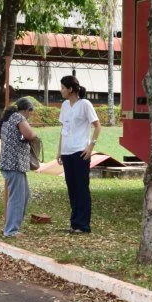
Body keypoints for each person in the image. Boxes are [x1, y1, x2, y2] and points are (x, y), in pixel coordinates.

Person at [56, 75, 101, 234]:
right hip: (67, 152)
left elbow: (97, 126)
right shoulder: (64, 106)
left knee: (82, 188)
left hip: (80, 151)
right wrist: (59, 150)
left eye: (63, 87)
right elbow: (64, 129)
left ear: (70, 89)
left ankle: (83, 225)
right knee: (72, 188)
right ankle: (74, 223)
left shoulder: (85, 105)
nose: (61, 90)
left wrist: (90, 146)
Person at [0, 98, 37, 238]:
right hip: (14, 163)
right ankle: (11, 231)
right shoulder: (18, 117)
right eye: (31, 111)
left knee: (24, 194)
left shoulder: (8, 117)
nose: (31, 114)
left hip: (12, 164)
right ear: (26, 110)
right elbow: (29, 135)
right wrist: (35, 134)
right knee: (17, 197)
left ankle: (14, 227)